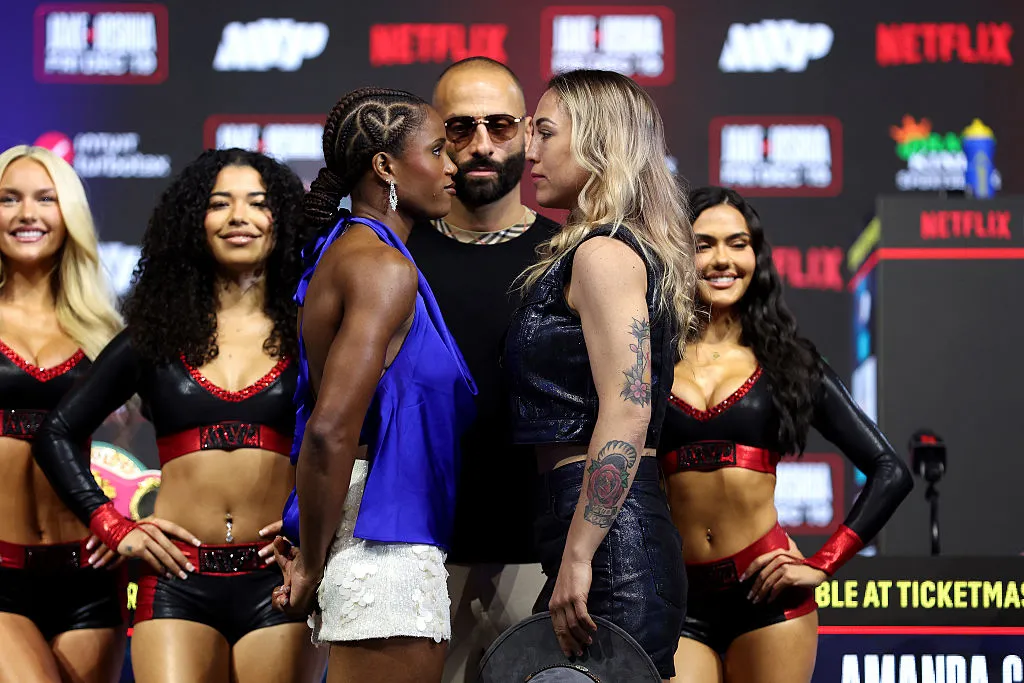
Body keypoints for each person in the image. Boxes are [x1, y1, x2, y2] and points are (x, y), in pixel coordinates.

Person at [33, 149, 326, 683]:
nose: (239, 216)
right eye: (220, 204)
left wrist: (311, 533)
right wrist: (113, 525)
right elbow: (57, 432)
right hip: (175, 583)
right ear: (195, 222)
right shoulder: (154, 335)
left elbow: (356, 442)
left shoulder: (314, 330)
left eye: (257, 203)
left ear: (281, 220)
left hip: (280, 581)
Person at [658, 186, 913, 683]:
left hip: (769, 599)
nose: (721, 259)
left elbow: (890, 471)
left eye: (737, 243)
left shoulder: (790, 361)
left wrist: (823, 562)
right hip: (677, 597)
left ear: (756, 256)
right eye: (703, 244)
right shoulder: (648, 356)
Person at [271, 87, 476, 683]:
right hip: (382, 539)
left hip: (369, 526)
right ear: (385, 167)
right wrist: (310, 565)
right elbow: (331, 429)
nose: (452, 165)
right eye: (437, 150)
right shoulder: (382, 268)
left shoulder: (339, 249)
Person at [503, 69, 698, 682]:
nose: (528, 151)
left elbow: (629, 409)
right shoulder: (596, 249)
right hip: (595, 531)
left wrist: (581, 554)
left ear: (599, 142)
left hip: (611, 542)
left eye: (545, 132)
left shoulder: (603, 254)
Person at [405, 56, 559, 683]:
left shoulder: (568, 257)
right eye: (460, 128)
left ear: (526, 131)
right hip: (413, 557)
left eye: (499, 125)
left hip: (542, 563)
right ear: (433, 137)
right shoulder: (391, 254)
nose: (481, 145)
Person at [0, 145, 124, 682]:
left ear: (67, 214)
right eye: (9, 199)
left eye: (45, 199)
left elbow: (156, 446)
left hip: (88, 572)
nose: (27, 214)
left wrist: (117, 522)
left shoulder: (99, 327)